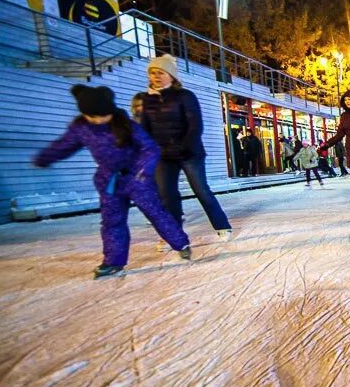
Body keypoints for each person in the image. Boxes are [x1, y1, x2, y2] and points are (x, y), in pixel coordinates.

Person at [32, 85, 191, 278]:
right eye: (93, 117)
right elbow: (64, 146)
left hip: (136, 177)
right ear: (85, 115)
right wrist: (45, 158)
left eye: (103, 116)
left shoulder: (125, 124)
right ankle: (113, 262)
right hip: (109, 181)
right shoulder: (81, 128)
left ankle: (180, 243)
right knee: (111, 221)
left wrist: (143, 169)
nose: (99, 120)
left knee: (155, 212)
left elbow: (150, 148)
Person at [139, 54, 233, 240]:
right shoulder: (146, 100)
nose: (156, 76)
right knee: (167, 194)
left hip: (189, 153)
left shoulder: (185, 96)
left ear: (172, 76)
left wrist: (186, 146)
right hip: (163, 155)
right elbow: (144, 128)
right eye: (153, 73)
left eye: (161, 73)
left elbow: (195, 125)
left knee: (200, 189)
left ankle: (222, 225)